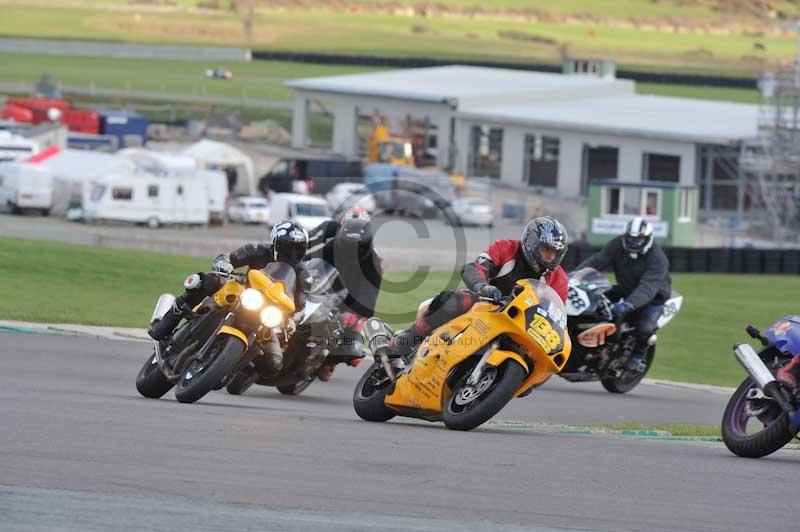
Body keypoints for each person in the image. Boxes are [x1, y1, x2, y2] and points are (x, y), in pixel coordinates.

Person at [387, 216, 569, 359]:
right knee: (453, 301)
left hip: (521, 325)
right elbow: (475, 268)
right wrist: (481, 286)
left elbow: (557, 317)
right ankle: (404, 341)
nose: (549, 258)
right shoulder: (506, 248)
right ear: (532, 242)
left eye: (555, 253)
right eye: (546, 250)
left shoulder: (559, 279)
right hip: (485, 304)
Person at [148, 220, 311, 342]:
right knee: (205, 280)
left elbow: (301, 305)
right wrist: (224, 265)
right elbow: (227, 258)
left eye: (298, 249)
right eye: (287, 247)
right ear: (275, 243)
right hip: (243, 292)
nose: (292, 253)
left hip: (269, 312)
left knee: (274, 361)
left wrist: (292, 319)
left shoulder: (304, 275)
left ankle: (237, 370)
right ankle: (165, 324)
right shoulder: (257, 250)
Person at [576, 216, 671, 372]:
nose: (633, 243)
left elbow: (647, 287)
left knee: (644, 327)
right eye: (630, 238)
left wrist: (628, 304)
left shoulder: (658, 259)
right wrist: (574, 277)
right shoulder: (617, 245)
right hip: (626, 288)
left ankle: (638, 356)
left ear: (647, 239)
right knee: (594, 301)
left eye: (638, 239)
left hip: (653, 298)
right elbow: (596, 262)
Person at [306, 215, 383, 381]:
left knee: (352, 350)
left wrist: (351, 315)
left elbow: (369, 300)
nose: (350, 251)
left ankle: (330, 362)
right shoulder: (333, 246)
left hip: (350, 300)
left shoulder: (373, 265)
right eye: (347, 246)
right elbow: (310, 259)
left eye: (356, 248)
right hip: (325, 289)